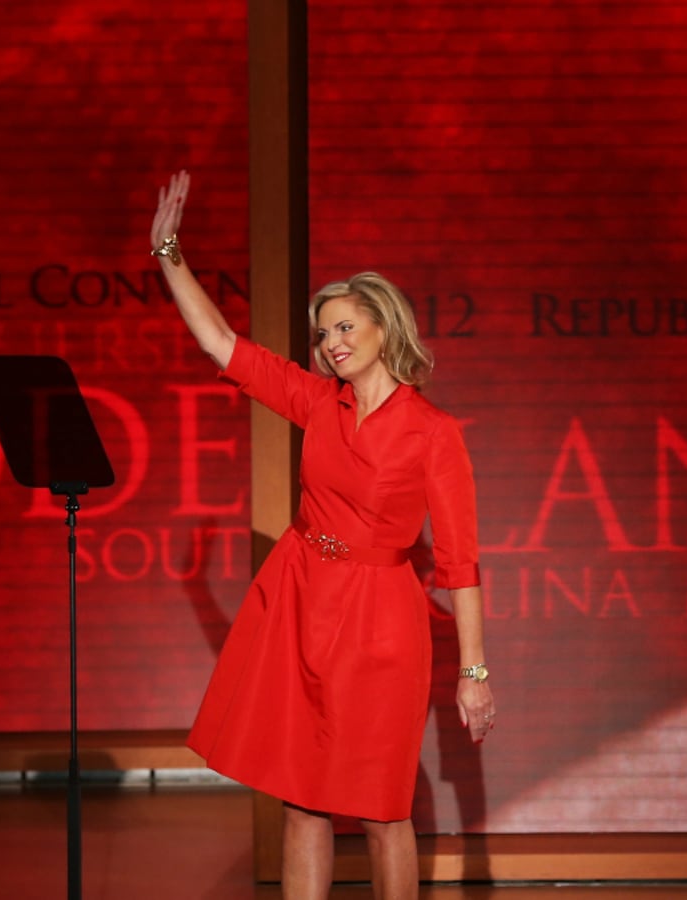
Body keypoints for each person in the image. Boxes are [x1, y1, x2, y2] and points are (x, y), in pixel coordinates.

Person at [149, 170, 495, 899]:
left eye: (346, 327)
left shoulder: (433, 434)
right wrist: (169, 255)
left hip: (380, 621)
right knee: (302, 799)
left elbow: (460, 563)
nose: (332, 342)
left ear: (383, 328)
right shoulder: (319, 403)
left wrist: (473, 672)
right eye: (324, 332)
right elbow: (223, 344)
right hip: (302, 597)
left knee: (378, 809)